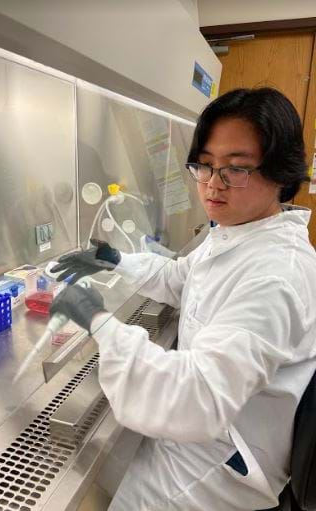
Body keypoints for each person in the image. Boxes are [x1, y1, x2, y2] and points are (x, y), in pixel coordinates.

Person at [50, 88, 316, 511]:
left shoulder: (276, 275)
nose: (212, 184)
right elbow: (184, 278)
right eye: (205, 166)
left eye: (236, 170)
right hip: (204, 437)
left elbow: (198, 397)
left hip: (220, 469)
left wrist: (98, 321)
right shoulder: (239, 231)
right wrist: (115, 259)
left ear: (282, 174)